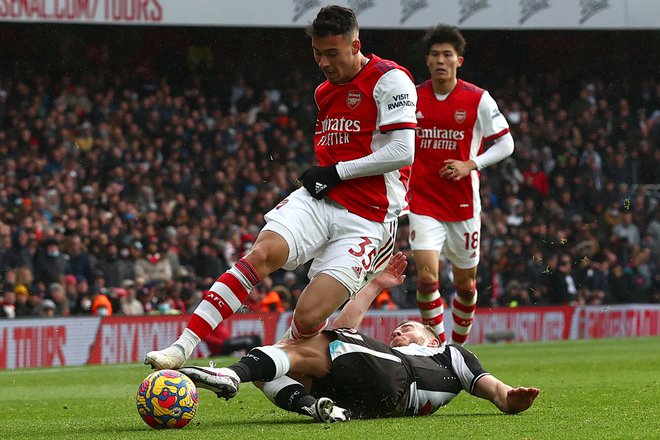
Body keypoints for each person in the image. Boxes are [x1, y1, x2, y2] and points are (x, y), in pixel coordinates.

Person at [144, 4, 417, 370]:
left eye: (332, 53)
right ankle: (182, 346)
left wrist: (335, 172)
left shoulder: (390, 79)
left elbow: (403, 150)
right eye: (318, 53)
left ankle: (286, 366)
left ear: (355, 46)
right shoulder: (324, 92)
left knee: (308, 317)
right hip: (321, 199)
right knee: (261, 253)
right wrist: (327, 176)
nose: (323, 62)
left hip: (370, 218)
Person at [179, 253, 540, 422]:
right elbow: (347, 330)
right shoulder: (379, 352)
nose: (399, 330)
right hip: (367, 404)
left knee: (302, 345)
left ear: (431, 339)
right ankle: (315, 408)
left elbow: (496, 392)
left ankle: (231, 374)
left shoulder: (449, 354)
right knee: (275, 368)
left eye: (409, 327)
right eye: (399, 329)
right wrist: (377, 284)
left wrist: (511, 397)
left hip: (402, 381)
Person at [408, 25, 514, 345]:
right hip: (422, 202)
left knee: (466, 286)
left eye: (448, 55)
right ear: (427, 60)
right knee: (427, 279)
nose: (441, 60)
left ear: (459, 60)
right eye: (435, 54)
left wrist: (471, 164)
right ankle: (440, 350)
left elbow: (505, 143)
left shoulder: (477, 99)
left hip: (463, 205)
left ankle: (459, 347)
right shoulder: (412, 96)